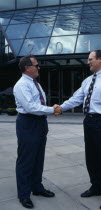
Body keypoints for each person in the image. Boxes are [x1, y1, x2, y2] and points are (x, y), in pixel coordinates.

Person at [59, 50, 101, 209]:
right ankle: (96, 187)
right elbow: (76, 98)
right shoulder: (87, 80)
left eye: (90, 59)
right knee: (92, 158)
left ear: (100, 59)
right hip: (88, 122)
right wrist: (59, 108)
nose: (87, 62)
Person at [13, 55, 61, 209]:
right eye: (36, 65)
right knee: (26, 160)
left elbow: (39, 104)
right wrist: (51, 110)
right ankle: (24, 195)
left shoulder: (35, 84)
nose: (39, 67)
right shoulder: (21, 85)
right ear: (28, 68)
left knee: (38, 158)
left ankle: (37, 187)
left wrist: (49, 109)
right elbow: (30, 107)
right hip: (28, 122)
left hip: (39, 123)